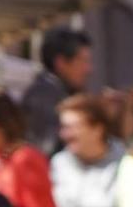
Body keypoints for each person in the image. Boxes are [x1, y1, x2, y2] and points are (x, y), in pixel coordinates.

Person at [20, 29, 94, 158]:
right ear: (61, 63)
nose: (88, 69)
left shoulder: (52, 92)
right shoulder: (43, 95)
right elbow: (45, 151)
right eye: (81, 60)